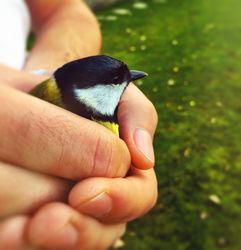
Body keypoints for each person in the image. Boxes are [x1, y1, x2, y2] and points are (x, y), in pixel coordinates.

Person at [0, 0, 158, 249]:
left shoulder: (97, 112)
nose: (130, 81)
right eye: (117, 80)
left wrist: (40, 72)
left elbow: (64, 9)